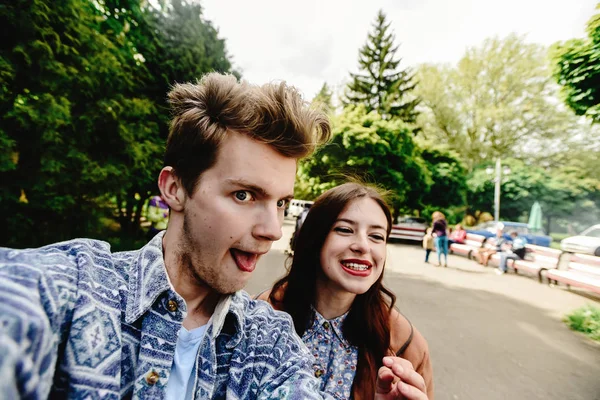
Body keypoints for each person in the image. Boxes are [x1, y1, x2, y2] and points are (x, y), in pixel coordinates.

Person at [0, 73, 416, 400]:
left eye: (281, 204)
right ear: (174, 188)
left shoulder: (270, 342)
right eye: (244, 194)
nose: (271, 230)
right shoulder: (71, 288)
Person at [258, 182, 434, 400]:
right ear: (315, 239)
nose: (363, 246)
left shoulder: (406, 344)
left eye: (377, 236)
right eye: (344, 229)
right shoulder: (259, 319)